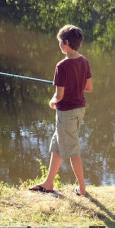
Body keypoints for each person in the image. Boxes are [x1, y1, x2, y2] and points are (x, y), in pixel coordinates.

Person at [29, 25, 93, 197]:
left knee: (72, 150)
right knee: (57, 144)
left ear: (65, 43)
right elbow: (89, 87)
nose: (59, 45)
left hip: (67, 112)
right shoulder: (84, 61)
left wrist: (52, 101)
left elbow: (59, 95)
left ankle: (82, 187)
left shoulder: (61, 66)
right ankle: (49, 183)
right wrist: (76, 83)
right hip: (79, 109)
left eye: (59, 42)